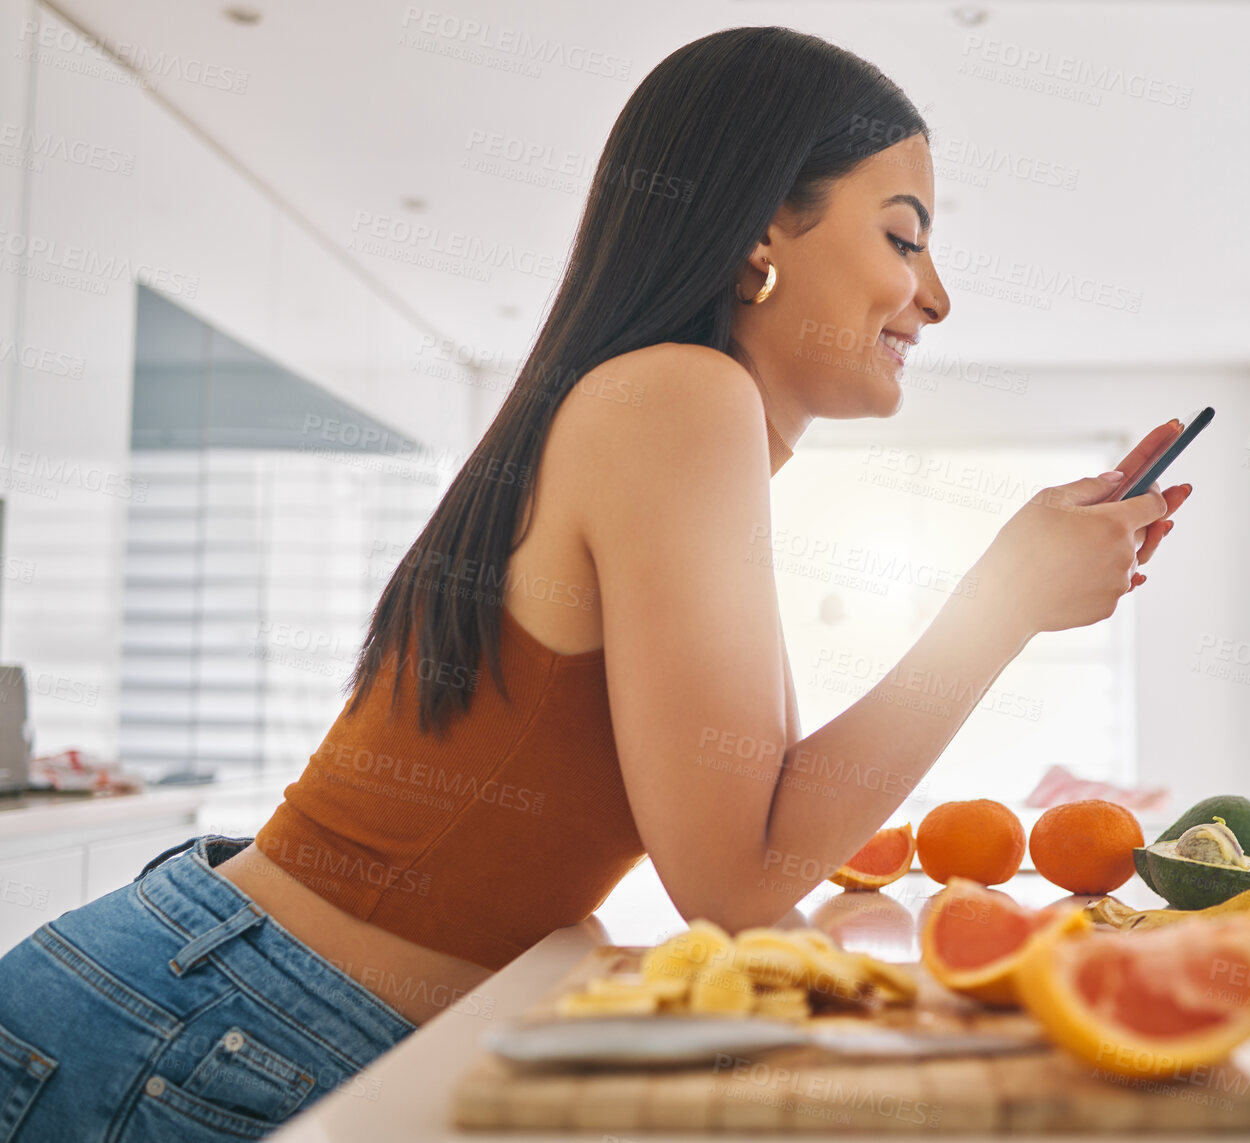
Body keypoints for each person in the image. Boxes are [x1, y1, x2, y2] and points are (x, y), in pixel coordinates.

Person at [0, 25, 1186, 1141]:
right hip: (209, 1023)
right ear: (765, 229)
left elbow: (751, 833)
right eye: (905, 237)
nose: (934, 298)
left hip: (227, 1005)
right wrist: (1003, 607)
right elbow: (739, 883)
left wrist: (1015, 597)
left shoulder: (668, 411)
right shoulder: (680, 395)